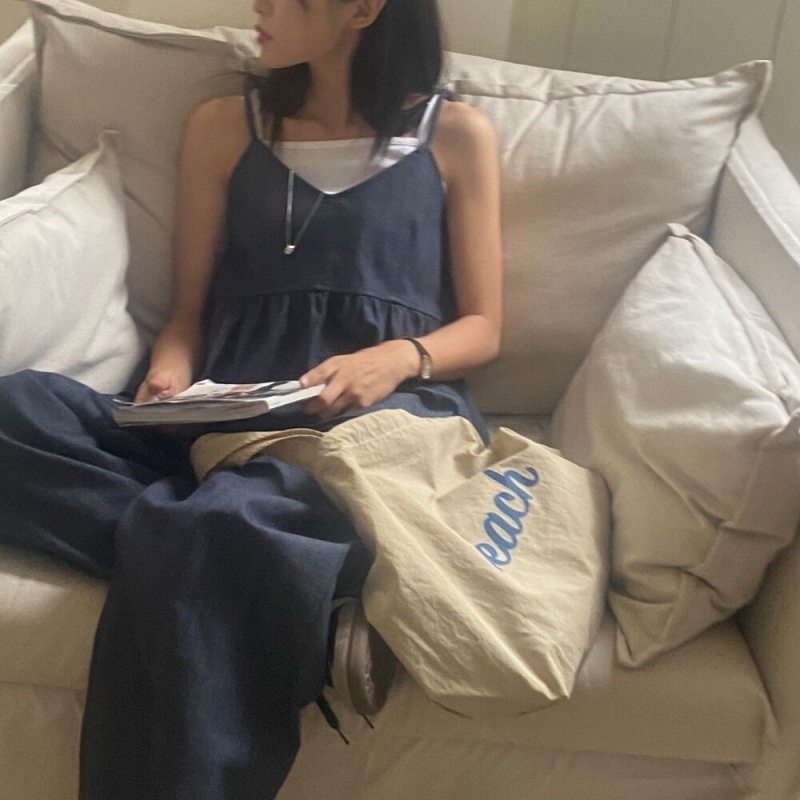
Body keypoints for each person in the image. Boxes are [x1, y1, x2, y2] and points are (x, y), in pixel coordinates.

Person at [0, 0, 502, 797]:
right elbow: (187, 317)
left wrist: (396, 359)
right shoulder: (222, 127)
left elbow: (484, 327)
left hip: (374, 419)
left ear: (362, 8)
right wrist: (168, 378)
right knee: (16, 412)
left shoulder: (455, 135)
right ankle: (300, 582)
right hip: (230, 415)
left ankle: (241, 545)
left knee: (215, 522)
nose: (258, 6)